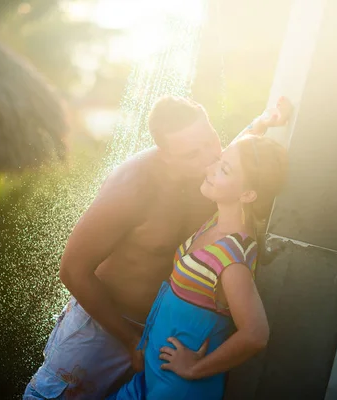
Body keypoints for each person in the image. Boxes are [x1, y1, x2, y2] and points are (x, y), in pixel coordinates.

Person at [23, 96, 292, 400]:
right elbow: (72, 269)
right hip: (102, 328)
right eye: (193, 153)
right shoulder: (133, 186)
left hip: (159, 337)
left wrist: (264, 122)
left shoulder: (208, 176)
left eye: (211, 140)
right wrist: (130, 340)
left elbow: (236, 164)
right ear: (166, 155)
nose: (210, 158)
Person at [107, 131, 289, 400]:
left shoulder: (232, 256)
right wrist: (264, 122)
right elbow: (243, 164)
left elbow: (256, 334)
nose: (210, 168)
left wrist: (195, 369)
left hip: (178, 390)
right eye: (220, 159)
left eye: (223, 169)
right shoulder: (218, 221)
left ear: (248, 194)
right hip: (151, 379)